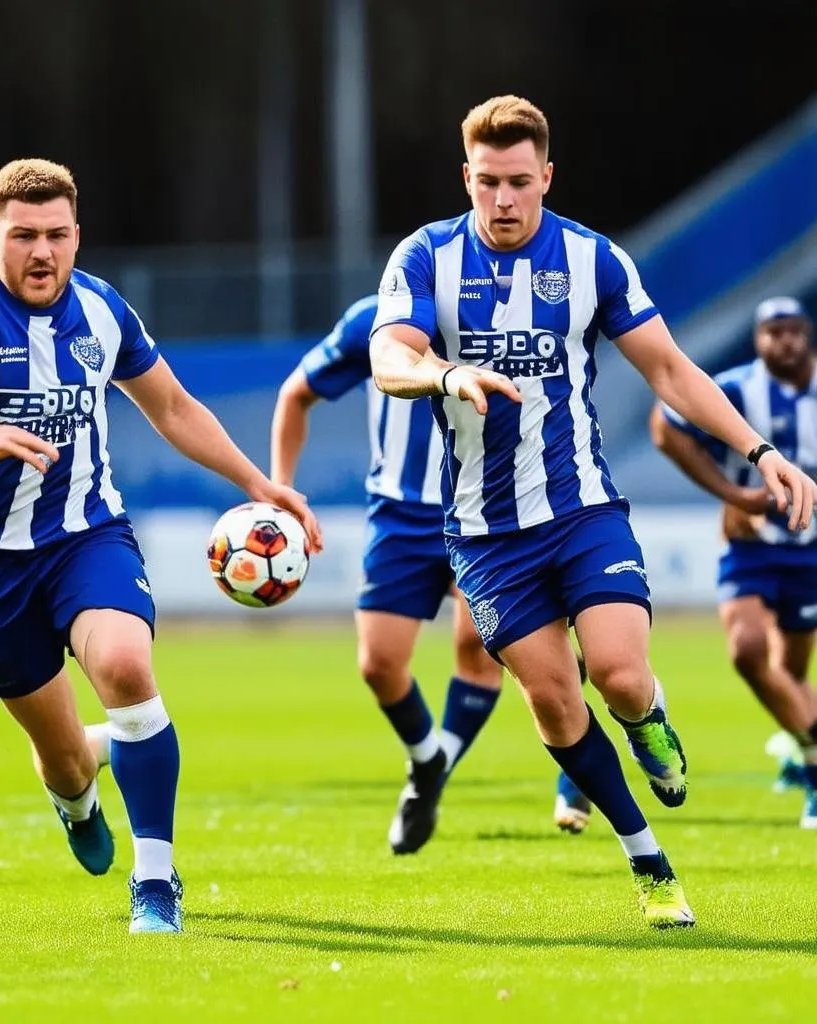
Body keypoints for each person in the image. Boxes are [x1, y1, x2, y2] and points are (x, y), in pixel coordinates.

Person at [0, 158, 322, 935]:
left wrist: (259, 484)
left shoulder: (102, 310)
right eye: (23, 236)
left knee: (127, 668)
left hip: (86, 535)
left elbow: (172, 406)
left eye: (57, 236)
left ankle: (156, 883)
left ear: (77, 236)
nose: (42, 253)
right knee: (61, 756)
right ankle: (78, 791)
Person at [368, 95, 816, 928]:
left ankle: (648, 718)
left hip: (582, 512)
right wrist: (443, 375)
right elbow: (389, 354)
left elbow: (674, 372)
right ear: (467, 177)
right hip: (483, 535)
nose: (503, 201)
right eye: (488, 183)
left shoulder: (592, 259)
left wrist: (761, 450)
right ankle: (649, 862)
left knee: (617, 675)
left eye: (519, 183)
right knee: (554, 702)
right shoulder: (425, 256)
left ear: (547, 176)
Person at [270, 294, 504, 855]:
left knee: (486, 647)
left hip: (488, 510)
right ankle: (430, 761)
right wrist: (280, 491)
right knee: (378, 664)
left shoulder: (502, 315)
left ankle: (573, 767)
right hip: (399, 515)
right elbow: (295, 395)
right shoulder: (371, 319)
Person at [651, 296, 817, 828]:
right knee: (747, 651)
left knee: (791, 675)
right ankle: (814, 770)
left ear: (807, 335)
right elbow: (664, 427)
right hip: (750, 547)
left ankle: (799, 749)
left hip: (810, 553)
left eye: (793, 331)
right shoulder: (739, 389)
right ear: (758, 339)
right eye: (773, 332)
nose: (784, 341)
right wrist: (731, 493)